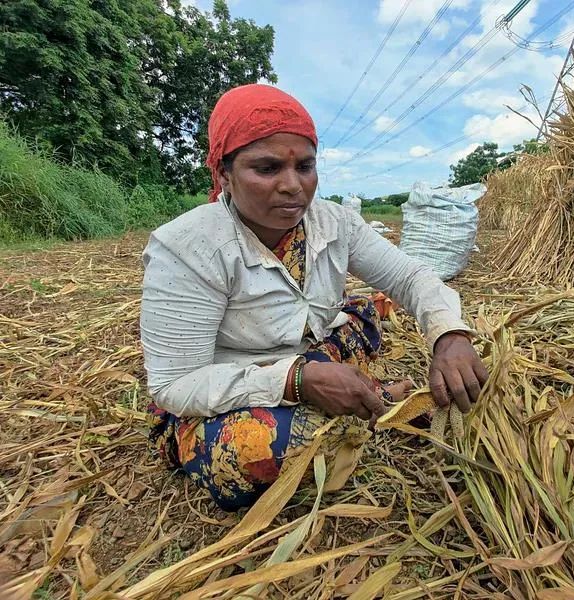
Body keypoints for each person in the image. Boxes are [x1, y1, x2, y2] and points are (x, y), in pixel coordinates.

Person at [140, 84, 488, 511]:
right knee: (262, 449)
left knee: (363, 321)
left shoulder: (335, 222)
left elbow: (411, 277)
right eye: (266, 168)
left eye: (305, 166)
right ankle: (375, 403)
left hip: (310, 354)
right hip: (228, 387)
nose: (293, 186)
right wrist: (295, 381)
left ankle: (365, 398)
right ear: (224, 174)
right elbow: (176, 384)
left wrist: (450, 335)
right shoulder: (188, 247)